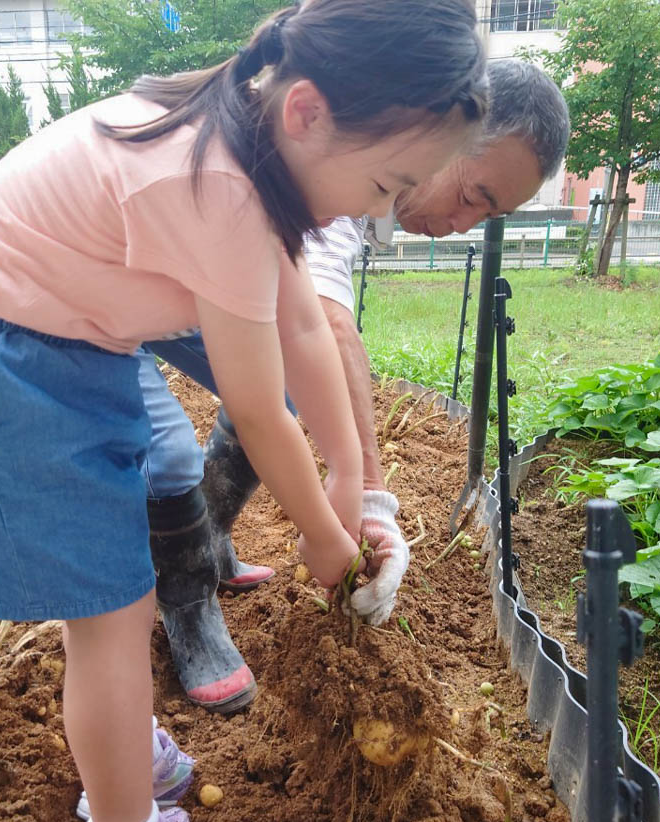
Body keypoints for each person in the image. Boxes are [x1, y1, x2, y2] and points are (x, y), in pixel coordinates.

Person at [0, 0, 487, 822]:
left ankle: (123, 745)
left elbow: (305, 334)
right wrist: (325, 543)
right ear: (308, 112)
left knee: (113, 602)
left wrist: (356, 485)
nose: (382, 211)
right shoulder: (222, 187)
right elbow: (258, 407)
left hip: (55, 352)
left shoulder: (248, 145)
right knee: (110, 619)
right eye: (388, 185)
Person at [142, 58, 569, 715]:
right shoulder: (347, 156)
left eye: (488, 215)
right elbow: (327, 323)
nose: (463, 222)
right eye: (474, 194)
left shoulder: (373, 171)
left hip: (179, 291)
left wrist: (360, 491)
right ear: (444, 139)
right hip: (90, 313)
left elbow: (308, 334)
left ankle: (210, 534)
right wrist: (363, 505)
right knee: (168, 458)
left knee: (285, 388)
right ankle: (185, 596)